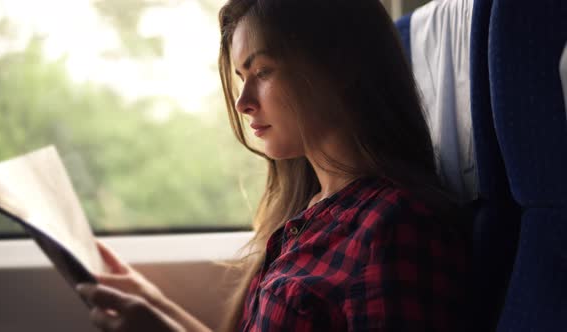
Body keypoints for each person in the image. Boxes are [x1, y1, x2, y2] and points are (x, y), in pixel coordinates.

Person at [76, 0, 470, 331]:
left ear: (341, 66)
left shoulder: (395, 228)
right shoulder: (310, 211)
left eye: (262, 71)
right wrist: (156, 306)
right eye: (241, 77)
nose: (242, 102)